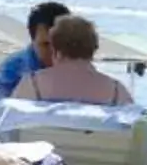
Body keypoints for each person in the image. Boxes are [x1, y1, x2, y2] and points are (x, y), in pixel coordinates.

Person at [8, 15, 137, 106]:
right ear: (93, 50)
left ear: (55, 49)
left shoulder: (33, 86)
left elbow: (7, 130)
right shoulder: (116, 92)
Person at [0, 0, 72, 118]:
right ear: (33, 40)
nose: (54, 52)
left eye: (60, 43)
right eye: (46, 45)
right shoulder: (14, 67)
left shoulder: (80, 68)